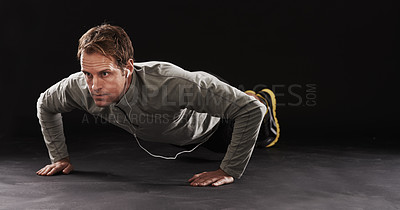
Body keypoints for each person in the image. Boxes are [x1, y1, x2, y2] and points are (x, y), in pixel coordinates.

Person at [36, 24, 280, 187]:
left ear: (128, 68)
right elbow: (45, 104)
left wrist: (229, 170)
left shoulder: (171, 83)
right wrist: (60, 157)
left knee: (257, 124)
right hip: (176, 131)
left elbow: (249, 111)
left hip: (216, 126)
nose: (94, 86)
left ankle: (261, 97)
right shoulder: (78, 86)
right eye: (88, 74)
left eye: (105, 74)